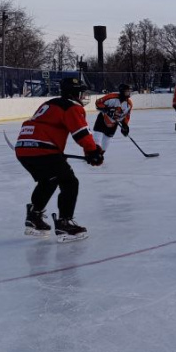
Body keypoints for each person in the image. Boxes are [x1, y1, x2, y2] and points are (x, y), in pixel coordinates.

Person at [13, 76, 104, 242]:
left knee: (49, 180)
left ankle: (34, 217)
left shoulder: (50, 103)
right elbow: (81, 133)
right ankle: (65, 224)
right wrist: (93, 152)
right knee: (69, 182)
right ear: (74, 93)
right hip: (43, 149)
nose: (83, 96)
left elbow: (45, 126)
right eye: (81, 92)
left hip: (23, 148)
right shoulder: (72, 107)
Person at [93, 83, 133, 151]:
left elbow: (126, 116)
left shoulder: (129, 104)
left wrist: (125, 125)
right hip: (103, 118)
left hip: (114, 122)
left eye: (129, 91)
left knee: (107, 138)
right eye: (127, 91)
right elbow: (98, 103)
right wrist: (107, 110)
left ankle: (100, 154)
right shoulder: (111, 97)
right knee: (97, 135)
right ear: (122, 91)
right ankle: (93, 152)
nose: (129, 93)